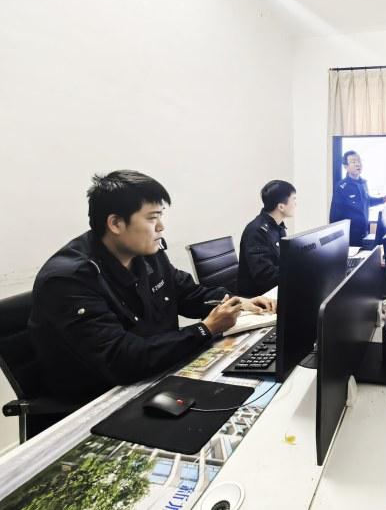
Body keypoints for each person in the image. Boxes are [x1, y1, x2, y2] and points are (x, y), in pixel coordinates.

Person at [28, 170, 276, 404]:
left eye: (161, 216)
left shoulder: (147, 253)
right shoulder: (70, 279)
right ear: (115, 223)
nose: (161, 227)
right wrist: (205, 330)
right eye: (152, 218)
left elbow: (188, 293)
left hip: (158, 375)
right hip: (103, 398)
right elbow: (120, 359)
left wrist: (237, 301)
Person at [238, 180, 296, 296]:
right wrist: (296, 273)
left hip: (273, 290)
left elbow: (282, 261)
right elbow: (264, 276)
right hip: (256, 298)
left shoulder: (278, 227)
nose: (296, 204)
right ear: (281, 207)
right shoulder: (256, 232)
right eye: (294, 199)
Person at [329, 150, 386, 246]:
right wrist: (336, 242)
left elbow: (367, 201)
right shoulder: (341, 187)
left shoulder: (363, 183)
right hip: (349, 237)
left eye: (359, 161)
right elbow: (334, 217)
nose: (358, 164)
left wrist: (384, 199)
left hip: (364, 233)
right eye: (353, 162)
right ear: (346, 167)